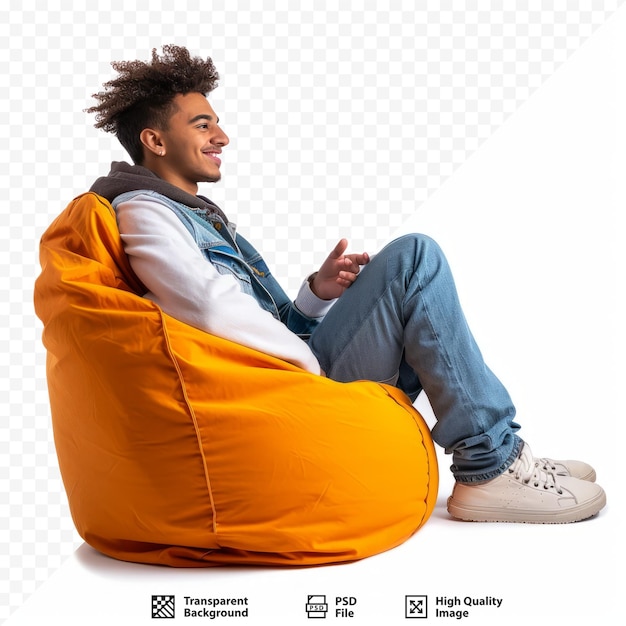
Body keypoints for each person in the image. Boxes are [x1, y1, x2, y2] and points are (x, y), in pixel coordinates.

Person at [87, 45, 605, 524]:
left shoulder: (194, 214)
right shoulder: (144, 209)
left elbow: (252, 322)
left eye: (217, 124)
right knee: (413, 258)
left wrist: (315, 293)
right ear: (154, 141)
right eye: (203, 126)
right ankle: (492, 466)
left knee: (407, 270)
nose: (221, 138)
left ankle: (500, 451)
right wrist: (306, 357)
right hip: (277, 393)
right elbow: (209, 308)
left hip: (281, 373)